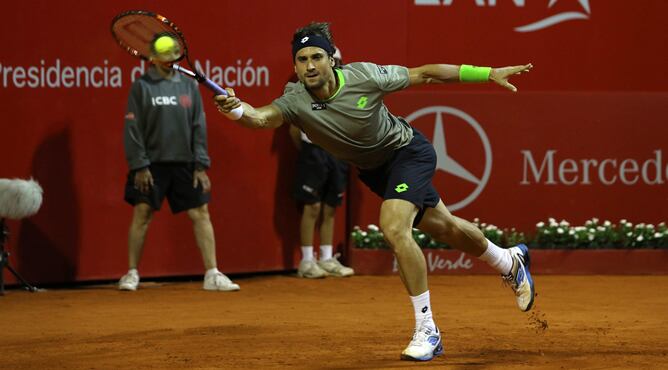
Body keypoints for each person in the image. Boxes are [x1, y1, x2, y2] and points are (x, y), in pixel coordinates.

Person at [214, 22, 534, 361]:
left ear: (332, 59)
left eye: (317, 57)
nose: (310, 65)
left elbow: (425, 74)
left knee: (394, 226)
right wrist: (236, 109)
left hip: (407, 152)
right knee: (446, 228)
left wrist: (486, 73)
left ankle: (427, 330)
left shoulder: (364, 77)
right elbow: (261, 118)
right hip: (375, 172)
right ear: (295, 66)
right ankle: (508, 260)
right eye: (302, 59)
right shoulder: (294, 99)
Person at [118, 34, 239, 292]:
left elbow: (198, 125)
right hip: (151, 165)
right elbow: (132, 127)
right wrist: (139, 165)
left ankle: (212, 274)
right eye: (164, 58)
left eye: (173, 57)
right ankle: (131, 273)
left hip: (185, 163)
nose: (170, 61)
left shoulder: (188, 85)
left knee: (200, 213)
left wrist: (200, 165)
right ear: (153, 59)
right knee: (142, 213)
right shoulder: (141, 86)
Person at [289, 47, 354, 279]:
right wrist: (310, 149)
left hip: (338, 153)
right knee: (312, 206)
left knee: (330, 206)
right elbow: (294, 130)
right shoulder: (302, 91)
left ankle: (326, 258)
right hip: (313, 153)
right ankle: (307, 261)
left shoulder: (346, 88)